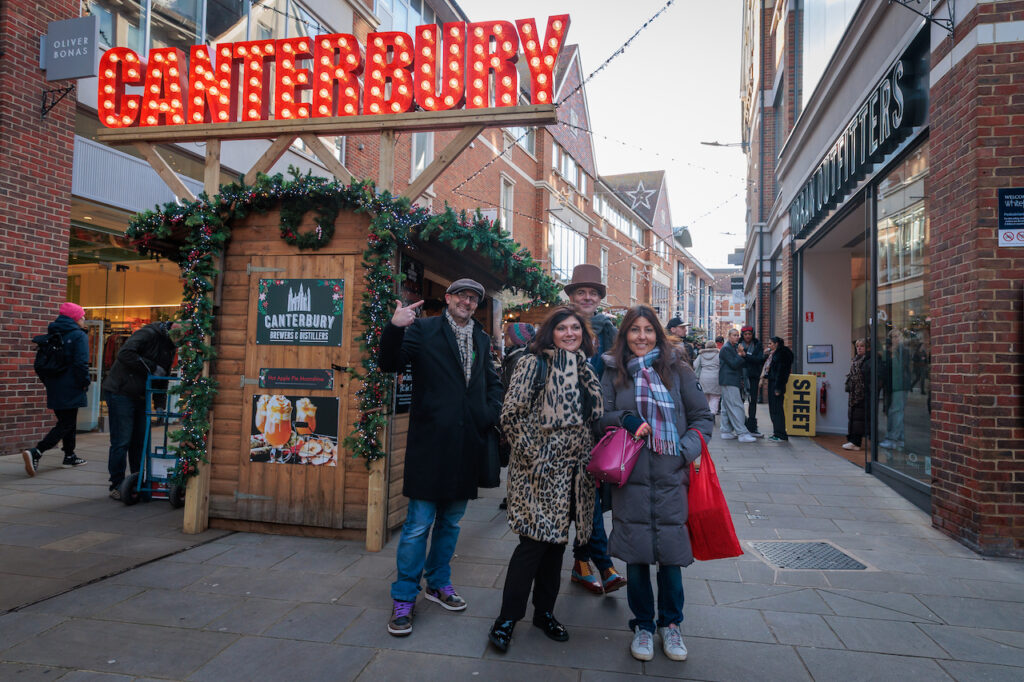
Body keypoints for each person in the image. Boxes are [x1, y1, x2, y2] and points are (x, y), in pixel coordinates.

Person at [378, 278, 502, 637]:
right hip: (430, 443)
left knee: (451, 523)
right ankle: (403, 596)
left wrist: (489, 412)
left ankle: (438, 584)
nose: (468, 300)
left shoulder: (481, 338)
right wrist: (393, 328)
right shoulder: (425, 330)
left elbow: (491, 382)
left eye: (474, 297)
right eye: (462, 295)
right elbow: (390, 364)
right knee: (418, 525)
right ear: (448, 299)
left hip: (466, 445)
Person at [599, 305, 714, 662]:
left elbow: (701, 418)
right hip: (629, 478)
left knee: (671, 558)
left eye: (648, 329)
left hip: (669, 476)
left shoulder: (677, 369)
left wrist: (683, 452)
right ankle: (644, 626)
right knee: (636, 559)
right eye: (634, 330)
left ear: (658, 334)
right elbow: (599, 417)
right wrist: (626, 418)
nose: (642, 336)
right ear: (625, 335)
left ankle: (672, 625)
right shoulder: (613, 371)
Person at [488, 306, 604, 652]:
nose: (570, 334)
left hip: (574, 474)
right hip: (538, 473)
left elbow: (590, 420)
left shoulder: (584, 368)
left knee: (556, 548)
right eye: (562, 328)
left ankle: (544, 613)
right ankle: (507, 618)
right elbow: (510, 414)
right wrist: (537, 456)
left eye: (575, 328)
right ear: (549, 333)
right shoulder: (532, 363)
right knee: (531, 547)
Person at [563, 263, 627, 596]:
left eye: (592, 293)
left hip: (599, 428)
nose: (587, 297)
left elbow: (621, 370)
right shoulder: (560, 327)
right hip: (563, 429)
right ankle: (600, 564)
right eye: (581, 292)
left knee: (592, 499)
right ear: (571, 296)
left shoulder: (608, 330)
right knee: (582, 499)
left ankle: (583, 562)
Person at [102, 319, 180, 499]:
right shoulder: (148, 333)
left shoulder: (169, 346)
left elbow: (162, 377)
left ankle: (137, 481)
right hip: (121, 391)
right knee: (122, 440)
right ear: (175, 332)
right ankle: (117, 485)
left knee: (139, 441)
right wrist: (152, 368)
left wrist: (159, 405)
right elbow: (125, 353)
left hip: (140, 394)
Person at [22, 302, 90, 476]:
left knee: (67, 421)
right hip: (72, 385)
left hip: (54, 385)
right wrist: (85, 382)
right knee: (66, 423)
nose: (84, 319)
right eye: (82, 316)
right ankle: (36, 452)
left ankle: (69, 455)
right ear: (75, 318)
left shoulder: (53, 333)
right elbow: (81, 363)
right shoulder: (78, 336)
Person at [498, 322, 536, 510]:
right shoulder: (514, 356)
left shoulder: (518, 359)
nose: (505, 337)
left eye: (508, 335)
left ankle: (516, 497)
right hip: (517, 418)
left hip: (517, 418)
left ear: (517, 338)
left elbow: (515, 391)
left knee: (517, 461)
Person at [718, 329, 757, 443]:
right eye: (734, 335)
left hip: (730, 380)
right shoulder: (726, 348)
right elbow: (734, 364)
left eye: (737, 335)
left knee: (726, 406)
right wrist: (740, 354)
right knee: (736, 406)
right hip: (729, 380)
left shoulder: (731, 348)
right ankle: (742, 433)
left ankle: (726, 430)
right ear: (729, 336)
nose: (737, 337)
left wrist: (741, 354)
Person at [880, 329, 911, 449]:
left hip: (900, 386)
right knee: (893, 412)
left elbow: (904, 368)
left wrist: (894, 354)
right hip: (890, 386)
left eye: (898, 336)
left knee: (897, 411)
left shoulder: (904, 351)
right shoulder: (887, 352)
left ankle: (893, 438)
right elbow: (885, 368)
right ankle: (898, 438)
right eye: (893, 337)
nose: (896, 339)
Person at [764, 336, 794, 443]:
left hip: (777, 385)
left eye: (770, 343)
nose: (769, 346)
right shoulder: (775, 354)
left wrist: (778, 387)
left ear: (776, 344)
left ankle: (780, 434)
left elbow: (781, 373)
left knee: (777, 410)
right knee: (774, 409)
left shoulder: (781, 354)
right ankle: (777, 433)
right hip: (773, 383)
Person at [843, 338, 871, 450]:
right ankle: (852, 440)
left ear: (867, 348)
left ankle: (855, 442)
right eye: (858, 346)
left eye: (862, 346)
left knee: (858, 419)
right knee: (854, 417)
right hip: (854, 394)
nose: (859, 348)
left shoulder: (868, 361)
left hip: (862, 394)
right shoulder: (856, 360)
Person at [739, 326, 765, 437]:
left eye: (749, 334)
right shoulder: (738, 344)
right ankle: (740, 425)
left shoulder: (757, 345)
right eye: (745, 334)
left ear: (752, 334)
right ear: (742, 335)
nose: (748, 336)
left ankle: (752, 427)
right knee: (739, 402)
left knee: (753, 401)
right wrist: (750, 357)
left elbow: (759, 359)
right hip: (741, 377)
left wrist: (745, 355)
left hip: (754, 376)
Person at [692, 340, 721, 417]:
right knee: (715, 397)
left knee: (705, 396)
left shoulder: (701, 355)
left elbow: (695, 365)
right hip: (715, 377)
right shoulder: (718, 354)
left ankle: (706, 413)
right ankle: (712, 413)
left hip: (704, 377)